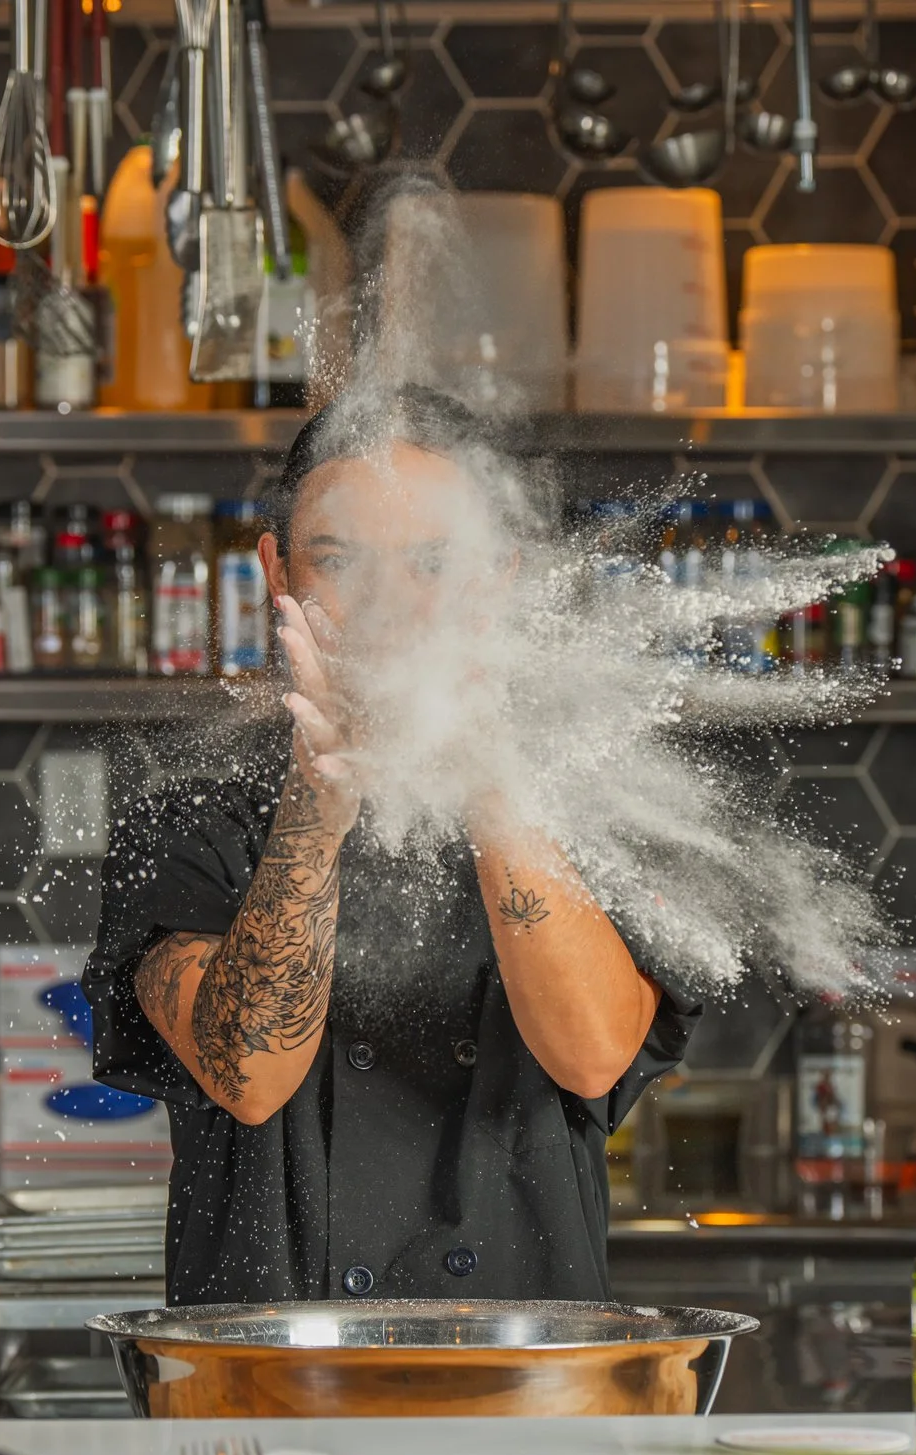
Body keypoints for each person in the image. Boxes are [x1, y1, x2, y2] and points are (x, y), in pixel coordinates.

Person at [84, 386, 698, 1305]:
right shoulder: (189, 806)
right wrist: (315, 810)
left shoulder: (595, 797)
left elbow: (593, 1055)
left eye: (434, 563)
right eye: (339, 559)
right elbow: (246, 1076)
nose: (387, 605)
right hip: (272, 1392)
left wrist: (489, 779)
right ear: (277, 571)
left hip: (520, 1380)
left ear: (497, 577)